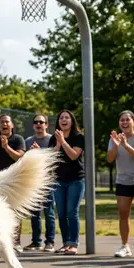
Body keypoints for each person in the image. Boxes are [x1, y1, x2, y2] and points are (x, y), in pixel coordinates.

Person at [0, 114, 25, 252]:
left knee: (14, 211)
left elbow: (19, 156)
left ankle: (16, 242)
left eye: (7, 122)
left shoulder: (18, 139)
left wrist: (6, 147)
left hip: (14, 181)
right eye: (2, 122)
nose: (4, 124)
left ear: (12, 125)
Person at [48, 110, 85, 256]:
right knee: (61, 213)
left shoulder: (78, 137)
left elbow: (74, 156)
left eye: (67, 118)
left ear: (72, 121)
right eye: (61, 117)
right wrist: (58, 144)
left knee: (71, 212)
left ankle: (73, 244)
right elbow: (51, 159)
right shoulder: (54, 138)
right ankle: (65, 243)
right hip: (59, 180)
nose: (64, 120)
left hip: (76, 180)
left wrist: (63, 142)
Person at [23, 114, 56, 253]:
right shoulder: (28, 141)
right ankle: (36, 241)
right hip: (34, 182)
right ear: (33, 125)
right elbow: (24, 160)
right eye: (36, 122)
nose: (38, 124)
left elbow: (53, 160)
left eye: (41, 122)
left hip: (48, 181)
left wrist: (39, 152)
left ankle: (50, 242)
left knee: (48, 213)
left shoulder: (51, 139)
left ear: (46, 125)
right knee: (34, 214)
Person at [107, 110, 134, 258]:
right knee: (123, 214)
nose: (124, 123)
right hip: (123, 181)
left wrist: (125, 145)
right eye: (122, 120)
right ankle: (125, 246)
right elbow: (110, 159)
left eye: (127, 120)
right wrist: (116, 145)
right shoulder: (115, 138)